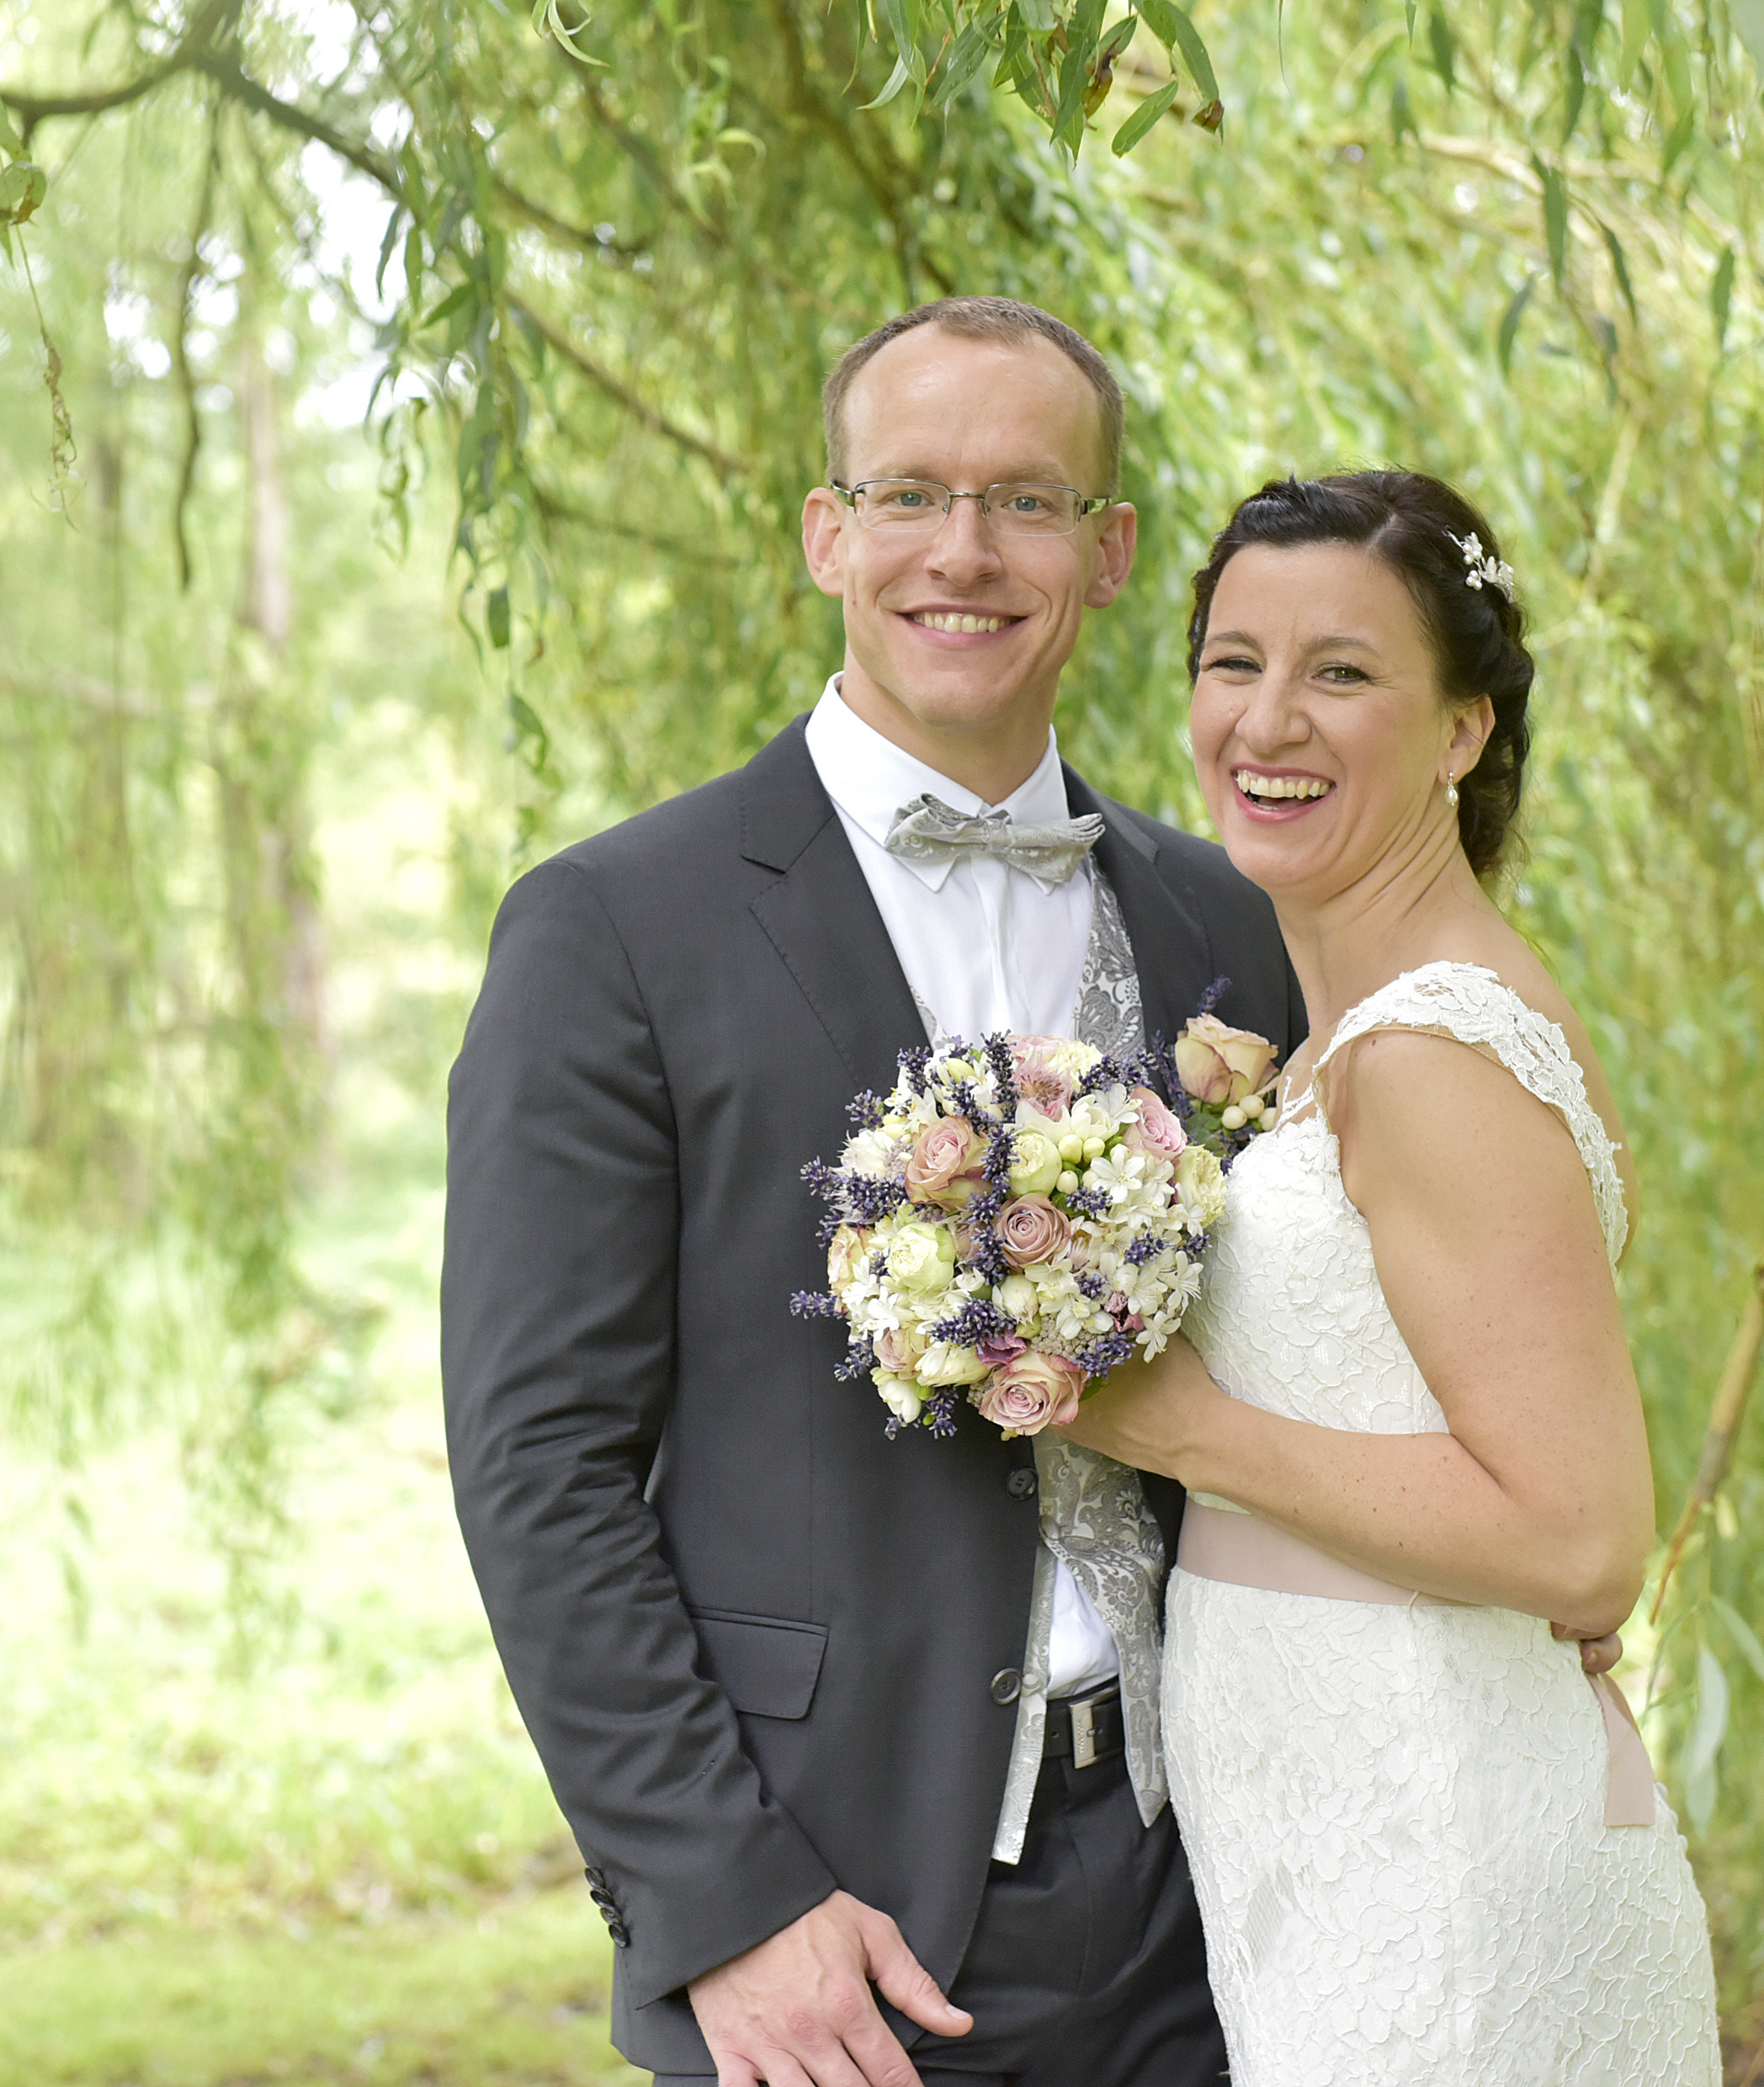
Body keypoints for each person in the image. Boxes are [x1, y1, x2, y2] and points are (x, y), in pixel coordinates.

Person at [443, 298, 1299, 2085]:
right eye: (907, 493)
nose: (961, 553)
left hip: (1212, 1902)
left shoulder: (1219, 922)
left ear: (1110, 551)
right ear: (826, 531)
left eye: (1025, 501)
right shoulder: (616, 927)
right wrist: (725, 1902)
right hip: (832, 1913)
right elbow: (540, 1464)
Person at [1060, 470, 1724, 2084]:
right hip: (1351, 1839)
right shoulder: (1365, 1034)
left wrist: (1179, 1427)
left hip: (1437, 1868)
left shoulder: (1433, 1052)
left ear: (1463, 731)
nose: (1266, 721)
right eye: (1234, 661)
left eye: (1342, 672)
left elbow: (1580, 1534)